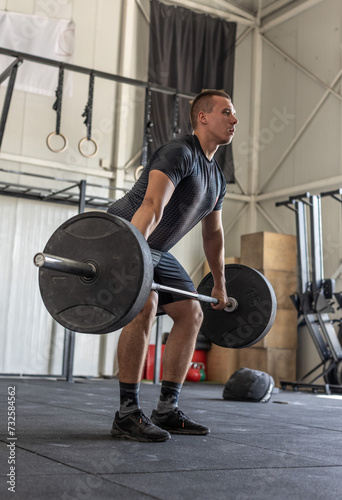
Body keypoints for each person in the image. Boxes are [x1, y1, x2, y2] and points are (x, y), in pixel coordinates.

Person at [107, 89, 238, 442]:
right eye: (227, 112)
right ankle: (127, 413)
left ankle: (166, 409)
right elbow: (152, 204)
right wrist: (132, 254)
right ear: (203, 117)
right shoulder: (178, 152)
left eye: (234, 114)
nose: (234, 120)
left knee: (192, 313)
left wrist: (219, 283)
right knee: (144, 303)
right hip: (122, 234)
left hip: (157, 248)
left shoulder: (218, 180)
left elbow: (214, 236)